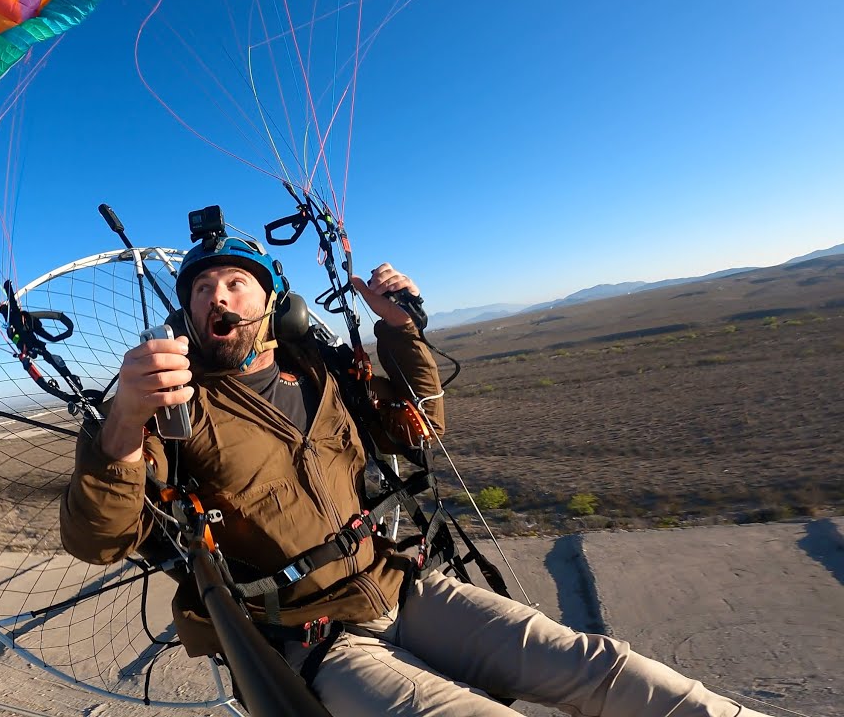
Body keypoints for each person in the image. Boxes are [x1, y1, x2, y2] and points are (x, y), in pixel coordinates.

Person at [60, 233, 766, 716]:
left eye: (236, 282)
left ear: (271, 302)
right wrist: (121, 421)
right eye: (203, 288)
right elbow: (99, 539)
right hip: (319, 640)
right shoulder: (168, 413)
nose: (219, 296)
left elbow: (418, 426)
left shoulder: (324, 370)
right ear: (185, 314)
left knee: (600, 668)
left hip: (406, 584)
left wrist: (400, 330)